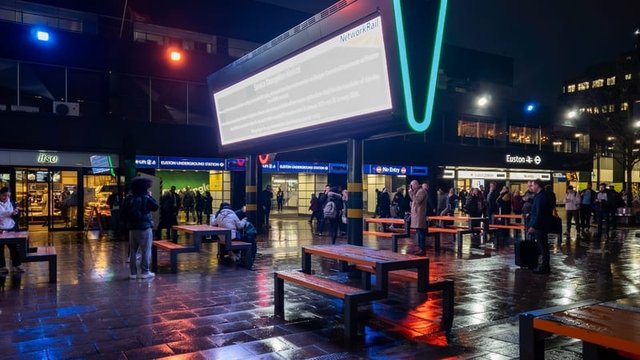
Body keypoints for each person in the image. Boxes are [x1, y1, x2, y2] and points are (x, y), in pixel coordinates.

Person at [122, 177, 159, 280]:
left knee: (133, 250)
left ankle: (133, 273)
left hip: (132, 228)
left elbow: (123, 211)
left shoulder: (129, 198)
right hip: (145, 227)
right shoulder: (146, 197)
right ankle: (144, 272)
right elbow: (155, 207)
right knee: (146, 250)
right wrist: (149, 196)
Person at [212, 202, 256, 269]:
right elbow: (240, 226)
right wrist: (244, 220)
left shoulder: (219, 215)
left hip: (222, 238)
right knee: (248, 239)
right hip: (231, 238)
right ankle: (246, 257)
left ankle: (233, 253)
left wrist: (212, 216)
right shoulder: (233, 214)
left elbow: (213, 223)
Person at [527, 179, 555, 274]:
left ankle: (544, 267)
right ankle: (544, 266)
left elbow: (539, 214)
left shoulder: (541, 197)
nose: (532, 187)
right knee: (543, 246)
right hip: (542, 225)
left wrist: (533, 226)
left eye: (533, 185)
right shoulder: (540, 196)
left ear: (537, 185)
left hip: (540, 226)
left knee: (543, 246)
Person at [0, 187, 23, 273]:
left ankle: (16, 265)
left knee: (14, 248)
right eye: (4, 195)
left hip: (11, 228)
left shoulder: (12, 202)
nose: (6, 197)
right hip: (1, 229)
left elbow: (17, 216)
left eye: (8, 196)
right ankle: (1, 267)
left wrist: (16, 213)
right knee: (0, 249)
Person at [408, 180, 427, 256]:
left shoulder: (421, 191)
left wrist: (411, 193)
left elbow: (417, 200)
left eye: (412, 185)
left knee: (421, 232)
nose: (411, 187)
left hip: (420, 215)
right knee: (418, 232)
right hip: (416, 215)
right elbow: (414, 199)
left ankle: (422, 248)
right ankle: (419, 248)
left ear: (415, 185)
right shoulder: (417, 191)